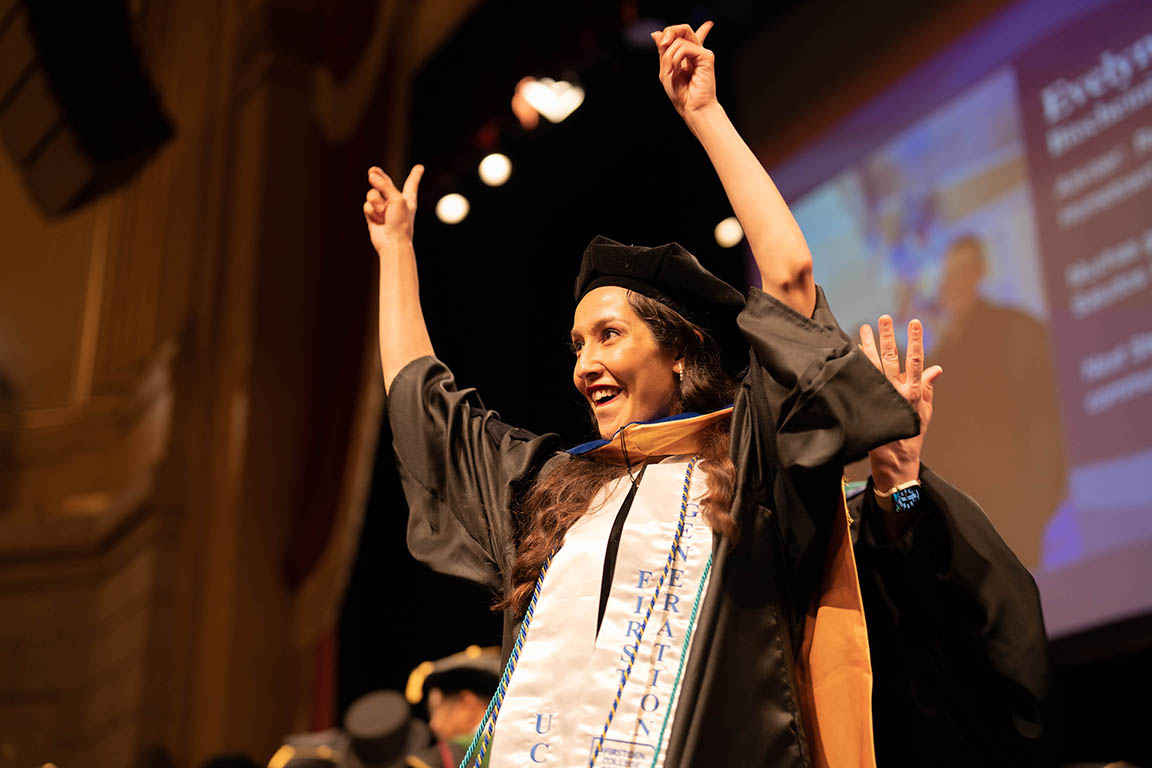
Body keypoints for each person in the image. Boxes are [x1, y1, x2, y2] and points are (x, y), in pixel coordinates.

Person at [363, 22, 1048, 768]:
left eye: (610, 335)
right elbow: (425, 408)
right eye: (577, 345)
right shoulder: (551, 493)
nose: (583, 364)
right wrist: (395, 253)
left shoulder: (746, 473)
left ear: (680, 351)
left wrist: (704, 115)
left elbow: (787, 281)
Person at [923, 235, 1068, 569]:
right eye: (948, 274)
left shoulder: (1017, 330)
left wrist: (1030, 520)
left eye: (963, 271)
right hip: (962, 539)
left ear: (979, 273)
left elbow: (1048, 428)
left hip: (1016, 525)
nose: (952, 283)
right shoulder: (940, 358)